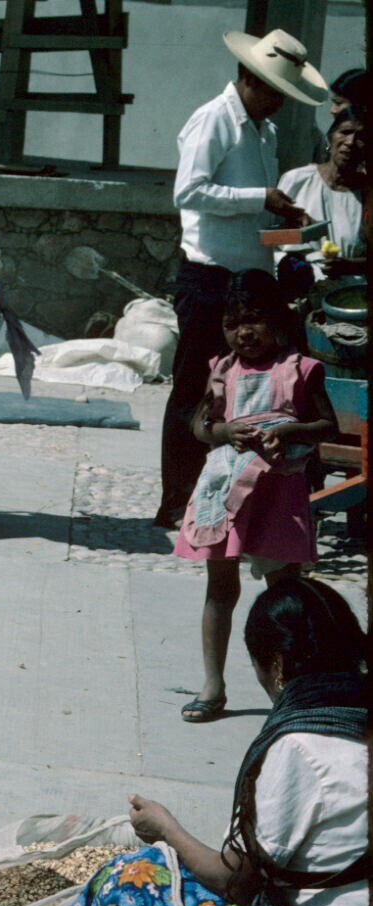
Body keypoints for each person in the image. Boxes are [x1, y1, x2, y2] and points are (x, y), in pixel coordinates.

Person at [70, 578, 366, 906]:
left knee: (125, 881)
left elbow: (235, 882)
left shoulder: (300, 747)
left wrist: (165, 828)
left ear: (277, 665)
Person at [155, 28, 325, 530]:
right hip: (208, 277)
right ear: (249, 79)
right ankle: (176, 500)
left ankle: (226, 493)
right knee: (195, 388)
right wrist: (260, 198)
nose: (279, 103)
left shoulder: (263, 132)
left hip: (249, 275)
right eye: (274, 91)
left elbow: (247, 213)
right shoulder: (214, 119)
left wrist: (283, 220)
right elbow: (189, 192)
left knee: (243, 390)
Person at [171, 270, 336, 722]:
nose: (243, 332)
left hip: (278, 493)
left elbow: (327, 426)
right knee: (220, 588)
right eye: (232, 323)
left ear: (278, 320)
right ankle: (213, 684)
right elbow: (200, 426)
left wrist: (292, 430)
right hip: (225, 491)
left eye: (254, 320)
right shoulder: (222, 370)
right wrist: (224, 431)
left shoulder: (300, 369)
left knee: (284, 594)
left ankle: (288, 688)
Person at [278, 106, 364, 269]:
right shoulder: (297, 180)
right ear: (329, 139)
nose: (350, 142)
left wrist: (348, 266)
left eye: (362, 137)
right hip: (295, 279)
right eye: (345, 132)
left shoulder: (367, 195)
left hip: (350, 283)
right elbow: (267, 238)